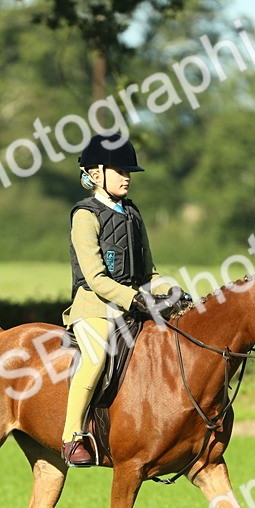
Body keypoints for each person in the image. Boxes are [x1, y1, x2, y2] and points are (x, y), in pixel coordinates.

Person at [60, 133, 172, 468]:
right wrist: (135, 299)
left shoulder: (133, 214)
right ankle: (71, 436)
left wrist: (174, 292)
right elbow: (95, 278)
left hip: (133, 304)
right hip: (93, 306)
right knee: (95, 359)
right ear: (95, 174)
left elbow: (150, 272)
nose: (126, 177)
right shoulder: (84, 215)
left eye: (129, 172)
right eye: (119, 170)